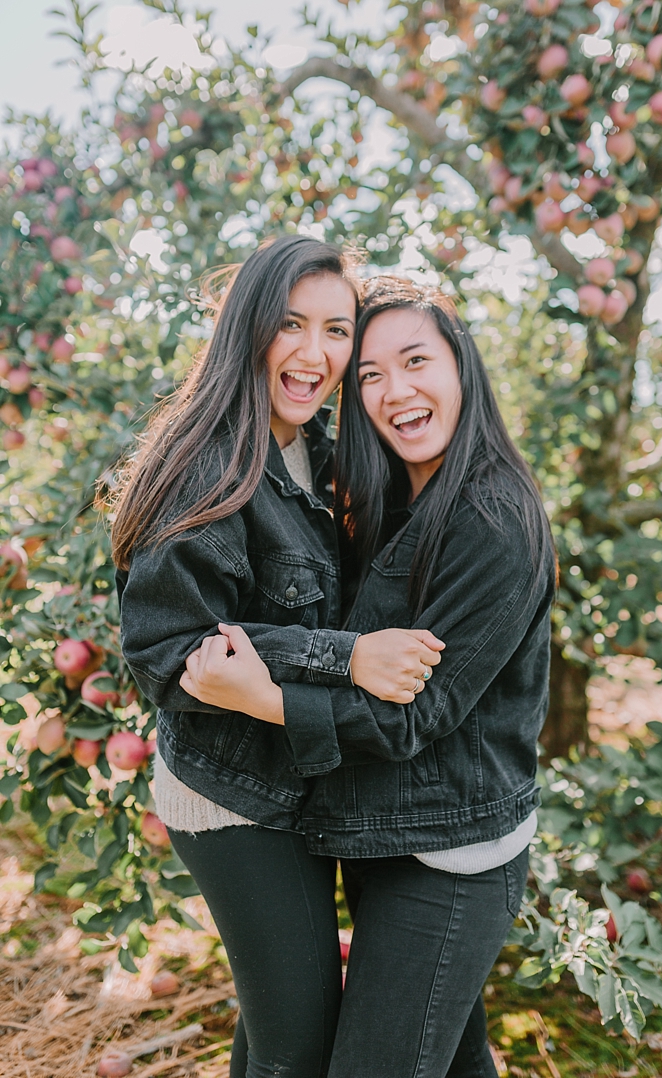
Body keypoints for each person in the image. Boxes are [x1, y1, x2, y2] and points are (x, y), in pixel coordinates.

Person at [180, 276, 555, 1078]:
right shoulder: (386, 500)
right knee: (448, 1059)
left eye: (415, 360)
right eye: (371, 377)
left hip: (450, 854)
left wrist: (264, 697)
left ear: (463, 368)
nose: (395, 391)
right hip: (386, 835)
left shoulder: (492, 521)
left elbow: (411, 718)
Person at [112, 235, 446, 1077]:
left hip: (297, 770)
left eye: (338, 331)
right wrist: (346, 657)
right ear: (248, 328)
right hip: (233, 794)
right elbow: (165, 650)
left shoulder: (325, 453)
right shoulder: (207, 464)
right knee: (299, 1048)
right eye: (291, 325)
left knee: (277, 1030)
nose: (315, 353)